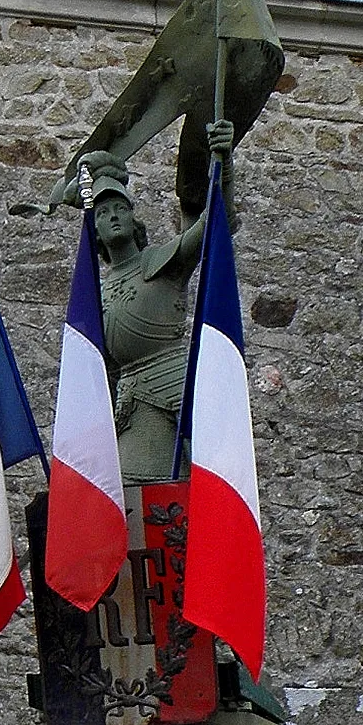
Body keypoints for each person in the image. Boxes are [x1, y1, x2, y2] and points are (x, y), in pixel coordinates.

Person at [79, 120, 234, 485]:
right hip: (131, 401)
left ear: (133, 218)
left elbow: (213, 223)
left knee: (178, 493)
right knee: (127, 495)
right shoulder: (97, 292)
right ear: (95, 230)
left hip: (172, 385)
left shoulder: (161, 262)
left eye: (119, 208)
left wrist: (223, 167)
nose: (113, 215)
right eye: (102, 213)